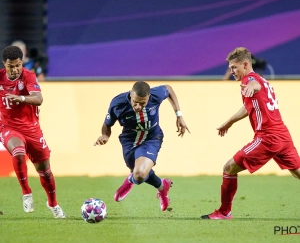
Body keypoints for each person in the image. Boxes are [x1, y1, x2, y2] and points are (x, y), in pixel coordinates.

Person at [201, 47, 300, 220]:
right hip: (283, 135)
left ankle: (224, 212)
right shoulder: (262, 80)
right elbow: (250, 106)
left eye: (234, 67)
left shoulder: (251, 80)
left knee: (228, 168)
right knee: (298, 172)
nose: (231, 71)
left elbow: (255, 85)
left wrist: (252, 86)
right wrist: (230, 121)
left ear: (245, 64)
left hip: (268, 137)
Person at [94, 81, 190, 211]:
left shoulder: (156, 95)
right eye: (135, 102)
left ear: (149, 97)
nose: (138, 106)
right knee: (139, 172)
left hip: (151, 139)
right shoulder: (118, 103)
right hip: (129, 141)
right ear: (131, 95)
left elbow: (168, 89)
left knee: (139, 175)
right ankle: (162, 186)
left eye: (142, 103)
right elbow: (107, 124)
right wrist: (105, 136)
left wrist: (179, 115)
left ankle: (130, 180)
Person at [0, 45, 65, 218]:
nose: (15, 70)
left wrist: (20, 98)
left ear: (22, 63)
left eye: (18, 65)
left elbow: (38, 99)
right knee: (18, 153)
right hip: (8, 127)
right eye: (11, 66)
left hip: (32, 129)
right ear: (4, 64)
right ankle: (26, 193)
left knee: (45, 171)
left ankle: (53, 204)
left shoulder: (28, 76)